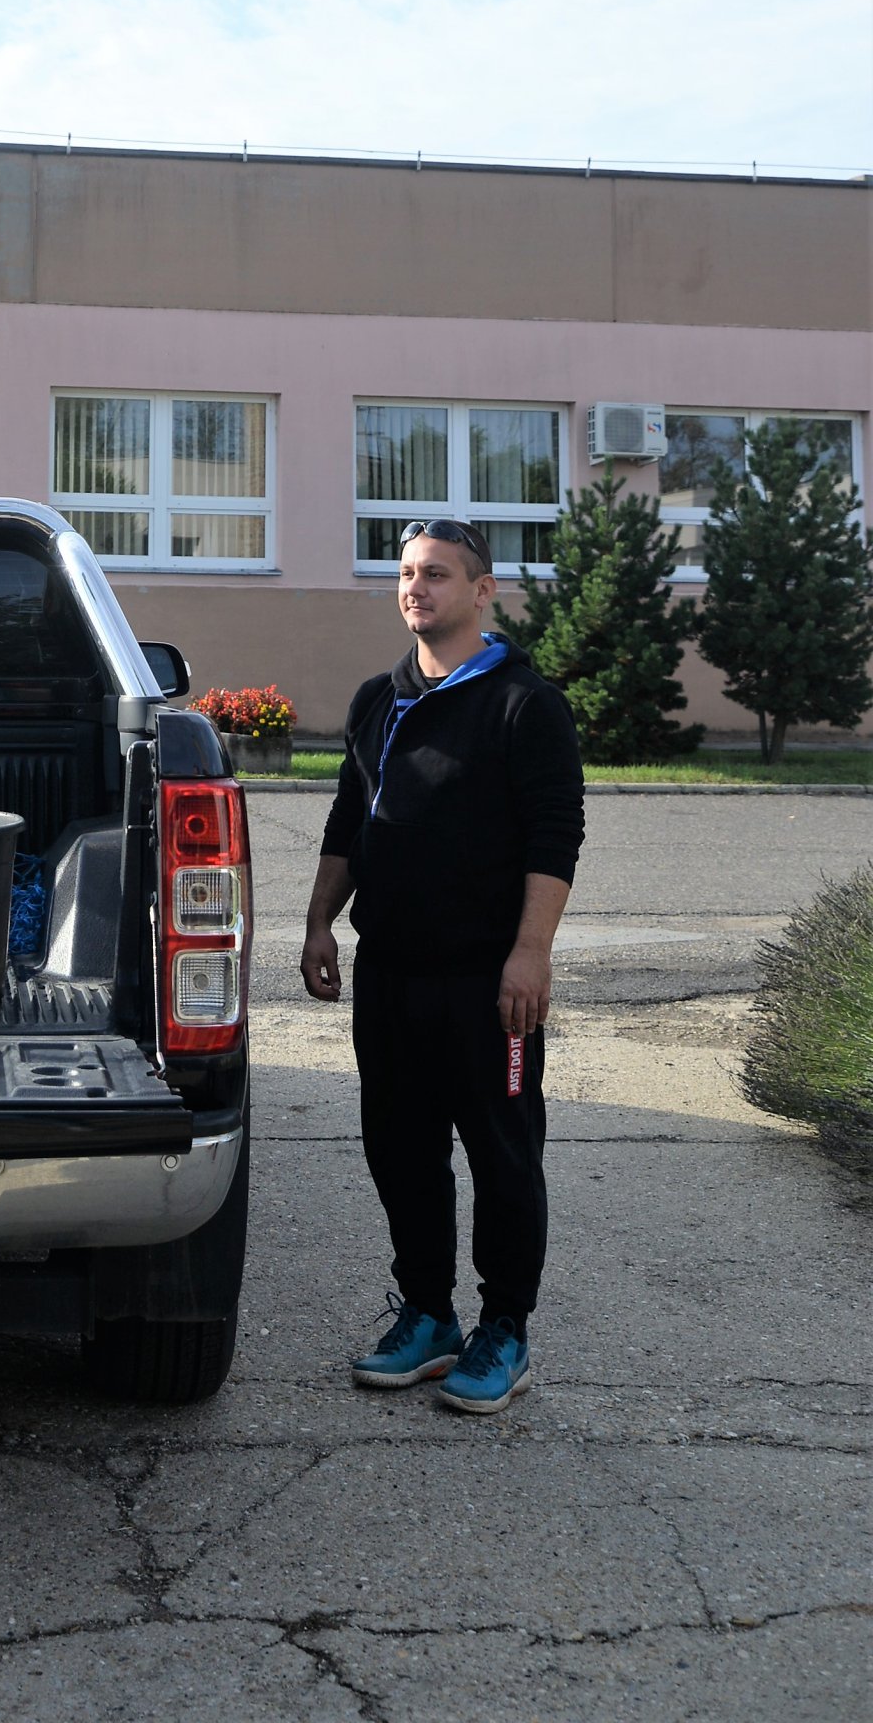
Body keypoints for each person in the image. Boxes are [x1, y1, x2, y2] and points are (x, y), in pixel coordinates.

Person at [300, 519, 584, 1415]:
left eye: (437, 575)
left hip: (486, 985)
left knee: (503, 1156)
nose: (416, 589)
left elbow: (555, 837)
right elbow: (352, 822)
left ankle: (506, 1329)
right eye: (407, 573)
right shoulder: (376, 701)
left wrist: (529, 954)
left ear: (482, 590)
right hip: (391, 974)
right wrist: (319, 924)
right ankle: (427, 1315)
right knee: (400, 1150)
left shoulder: (523, 704)